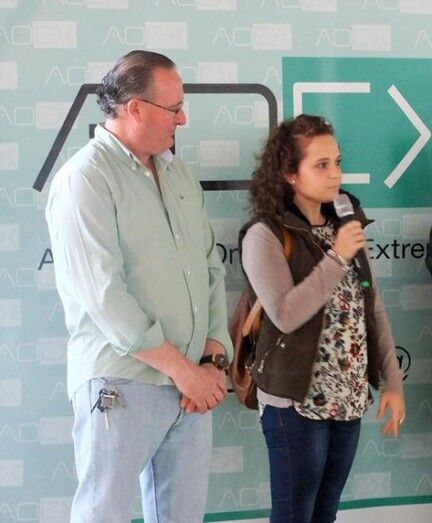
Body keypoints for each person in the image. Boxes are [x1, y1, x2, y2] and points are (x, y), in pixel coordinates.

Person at [45, 50, 233, 523]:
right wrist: (184, 371)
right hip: (123, 383)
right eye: (175, 108)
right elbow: (104, 296)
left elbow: (211, 269)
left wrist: (210, 361)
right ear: (135, 108)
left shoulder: (179, 175)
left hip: (191, 389)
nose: (182, 119)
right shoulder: (85, 178)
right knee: (103, 514)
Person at [239, 114, 405, 523]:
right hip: (294, 404)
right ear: (290, 174)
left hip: (347, 399)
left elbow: (372, 307)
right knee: (294, 515)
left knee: (325, 513)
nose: (336, 174)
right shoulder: (265, 234)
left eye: (338, 162)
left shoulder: (346, 224)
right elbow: (285, 314)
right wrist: (337, 256)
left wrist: (393, 382)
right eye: (321, 164)